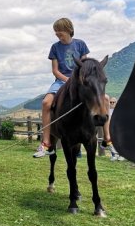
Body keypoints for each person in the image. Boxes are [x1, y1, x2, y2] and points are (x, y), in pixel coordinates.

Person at [33, 17, 118, 158]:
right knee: (46, 102)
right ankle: (46, 143)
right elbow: (55, 70)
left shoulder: (80, 44)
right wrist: (67, 80)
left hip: (80, 81)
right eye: (56, 33)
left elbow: (86, 66)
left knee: (106, 99)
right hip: (61, 81)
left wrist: (79, 80)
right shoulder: (55, 47)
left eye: (59, 32)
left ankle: (107, 139)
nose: (57, 35)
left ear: (69, 30)